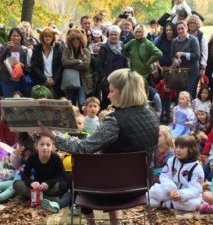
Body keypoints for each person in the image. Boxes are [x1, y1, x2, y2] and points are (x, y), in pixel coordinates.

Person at [37, 68, 159, 225]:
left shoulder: (114, 121)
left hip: (108, 189)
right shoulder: (152, 115)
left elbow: (83, 148)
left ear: (124, 92)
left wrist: (54, 135)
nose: (107, 95)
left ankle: (91, 222)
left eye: (111, 91)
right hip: (140, 186)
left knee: (79, 172)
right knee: (108, 167)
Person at [13, 135, 71, 213]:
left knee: (64, 186)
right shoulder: (32, 157)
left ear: (52, 146)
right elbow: (25, 176)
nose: (45, 147)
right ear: (36, 146)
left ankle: (40, 198)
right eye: (42, 144)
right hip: (37, 187)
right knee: (16, 184)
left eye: (48, 145)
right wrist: (32, 182)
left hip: (51, 187)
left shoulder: (56, 158)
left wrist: (49, 183)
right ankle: (48, 199)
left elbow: (63, 177)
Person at [148, 135, 204, 211]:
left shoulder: (197, 167)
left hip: (185, 196)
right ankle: (169, 203)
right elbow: (165, 176)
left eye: (181, 147)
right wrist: (171, 189)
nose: (177, 150)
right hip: (170, 192)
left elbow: (196, 189)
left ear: (191, 149)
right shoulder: (172, 160)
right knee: (153, 190)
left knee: (193, 204)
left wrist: (181, 195)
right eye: (176, 147)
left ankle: (164, 204)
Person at [96, 25, 128, 109]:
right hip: (108, 79)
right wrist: (103, 76)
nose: (113, 36)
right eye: (111, 34)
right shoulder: (104, 47)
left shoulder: (122, 46)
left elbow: (125, 61)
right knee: (107, 100)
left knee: (119, 101)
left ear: (119, 35)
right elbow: (99, 63)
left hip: (120, 78)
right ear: (108, 36)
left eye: (115, 34)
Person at [62, 28, 93, 110]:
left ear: (81, 40)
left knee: (81, 103)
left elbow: (85, 65)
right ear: (70, 41)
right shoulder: (66, 50)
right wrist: (79, 61)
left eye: (78, 39)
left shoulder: (86, 51)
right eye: (73, 39)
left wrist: (71, 64)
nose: (76, 41)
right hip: (70, 81)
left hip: (83, 81)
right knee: (70, 104)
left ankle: (82, 121)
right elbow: (64, 63)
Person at [30, 27, 63, 98]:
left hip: (55, 83)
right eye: (45, 36)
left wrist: (54, 79)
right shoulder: (37, 48)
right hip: (41, 82)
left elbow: (60, 66)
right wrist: (44, 79)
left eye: (49, 36)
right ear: (42, 37)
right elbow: (34, 66)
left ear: (53, 37)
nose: (47, 38)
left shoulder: (58, 48)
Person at [171, 21, 200, 97]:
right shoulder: (174, 41)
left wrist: (183, 54)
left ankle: (189, 108)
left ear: (186, 28)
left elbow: (197, 56)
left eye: (182, 28)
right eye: (178, 29)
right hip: (180, 71)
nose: (180, 31)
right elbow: (173, 56)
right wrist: (176, 61)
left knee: (188, 92)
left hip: (192, 70)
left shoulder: (193, 40)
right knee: (180, 92)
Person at [0, 27, 29, 97]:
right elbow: (0, 60)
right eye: (14, 35)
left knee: (18, 103)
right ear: (10, 37)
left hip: (19, 81)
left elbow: (27, 68)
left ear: (21, 38)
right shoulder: (4, 47)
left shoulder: (24, 51)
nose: (16, 38)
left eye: (18, 36)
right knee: (8, 102)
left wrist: (23, 65)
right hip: (7, 80)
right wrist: (7, 49)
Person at [186, 15, 208, 98]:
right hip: (185, 65)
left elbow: (204, 53)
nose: (192, 25)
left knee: (192, 87)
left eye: (194, 23)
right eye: (190, 23)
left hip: (197, 66)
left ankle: (192, 104)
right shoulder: (185, 33)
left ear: (197, 24)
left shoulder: (201, 35)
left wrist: (203, 67)